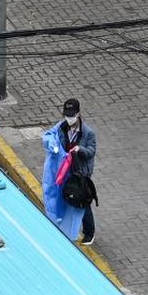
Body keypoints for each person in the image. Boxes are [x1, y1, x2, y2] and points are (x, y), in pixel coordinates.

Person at [42, 98, 98, 245]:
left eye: (71, 115)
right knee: (67, 196)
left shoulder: (88, 133)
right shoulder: (61, 126)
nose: (69, 118)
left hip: (79, 172)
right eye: (67, 115)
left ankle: (89, 232)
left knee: (82, 200)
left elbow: (91, 152)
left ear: (78, 114)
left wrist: (80, 149)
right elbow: (49, 135)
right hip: (65, 170)